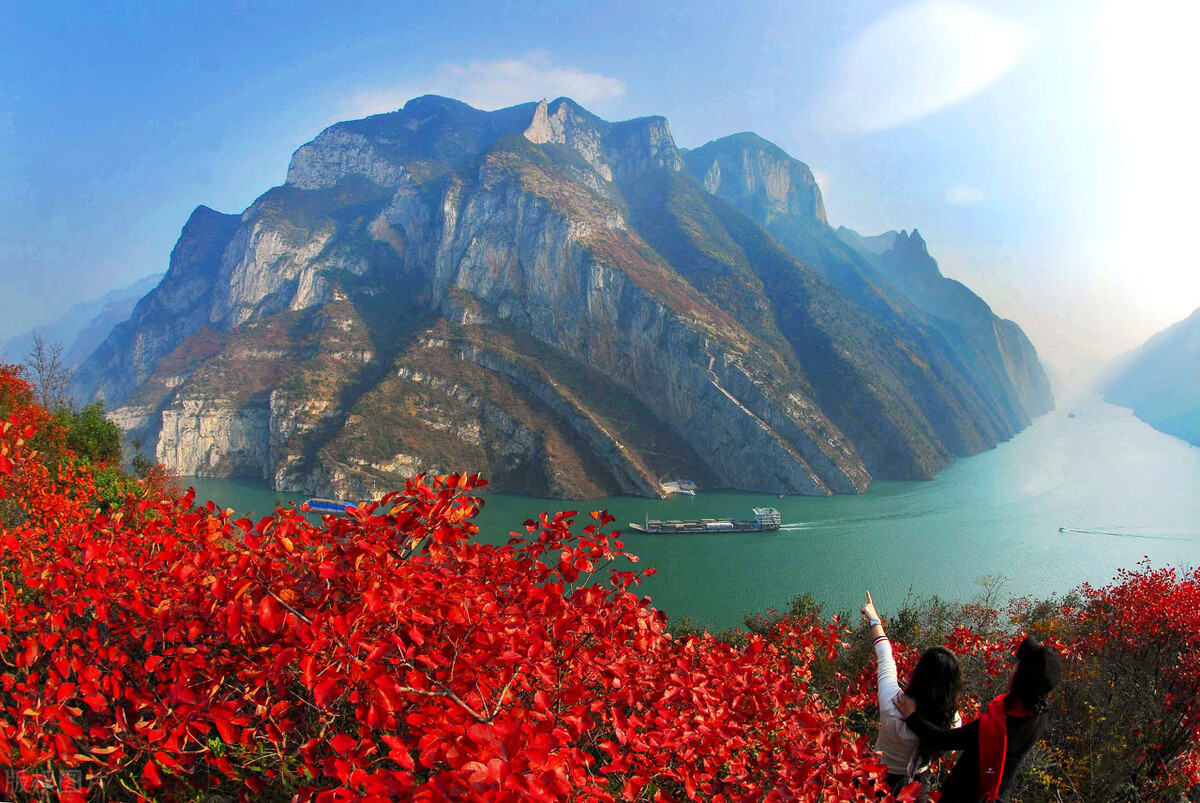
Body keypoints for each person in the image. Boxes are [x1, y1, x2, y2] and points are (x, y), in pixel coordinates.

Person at [895, 634, 1063, 802]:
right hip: (999, 794)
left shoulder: (994, 727)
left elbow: (939, 740)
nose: (1012, 668)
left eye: (1016, 666)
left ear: (1021, 679)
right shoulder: (1039, 713)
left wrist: (912, 715)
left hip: (964, 796)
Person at [860, 591, 962, 796]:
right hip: (916, 786)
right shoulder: (949, 720)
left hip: (877, 776)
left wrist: (874, 619)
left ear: (919, 673)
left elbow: (885, 656)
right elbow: (950, 749)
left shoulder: (893, 702)